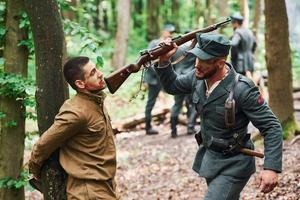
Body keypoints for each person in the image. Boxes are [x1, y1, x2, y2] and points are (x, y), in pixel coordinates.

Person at [155, 33, 282, 199]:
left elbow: (271, 126)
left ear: (220, 63)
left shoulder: (242, 89)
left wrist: (271, 168)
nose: (197, 65)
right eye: (196, 58)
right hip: (210, 159)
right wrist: (164, 61)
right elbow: (173, 86)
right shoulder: (198, 78)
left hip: (235, 163)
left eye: (204, 61)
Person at [28, 56, 118, 199]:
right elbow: (43, 145)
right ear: (80, 84)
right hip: (88, 191)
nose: (100, 73)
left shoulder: (96, 101)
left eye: (97, 69)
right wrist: (35, 170)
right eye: (93, 73)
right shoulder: (75, 112)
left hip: (106, 186)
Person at [143, 24, 176, 135]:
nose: (170, 34)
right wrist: (144, 80)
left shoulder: (170, 45)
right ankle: (148, 127)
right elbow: (147, 61)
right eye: (168, 31)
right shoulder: (154, 43)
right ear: (163, 31)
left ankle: (172, 126)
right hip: (153, 79)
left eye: (171, 32)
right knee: (150, 103)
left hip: (163, 78)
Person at [170, 41, 197, 138]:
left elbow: (172, 63)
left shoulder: (176, 48)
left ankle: (173, 130)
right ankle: (190, 127)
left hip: (177, 77)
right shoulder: (194, 47)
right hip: (190, 79)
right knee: (193, 103)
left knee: (177, 104)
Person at [230, 12, 256, 78]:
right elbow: (255, 43)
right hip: (249, 60)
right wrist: (251, 53)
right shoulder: (249, 32)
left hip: (239, 62)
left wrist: (233, 58)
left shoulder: (237, 32)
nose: (232, 25)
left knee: (238, 82)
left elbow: (233, 44)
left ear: (236, 23)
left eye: (232, 23)